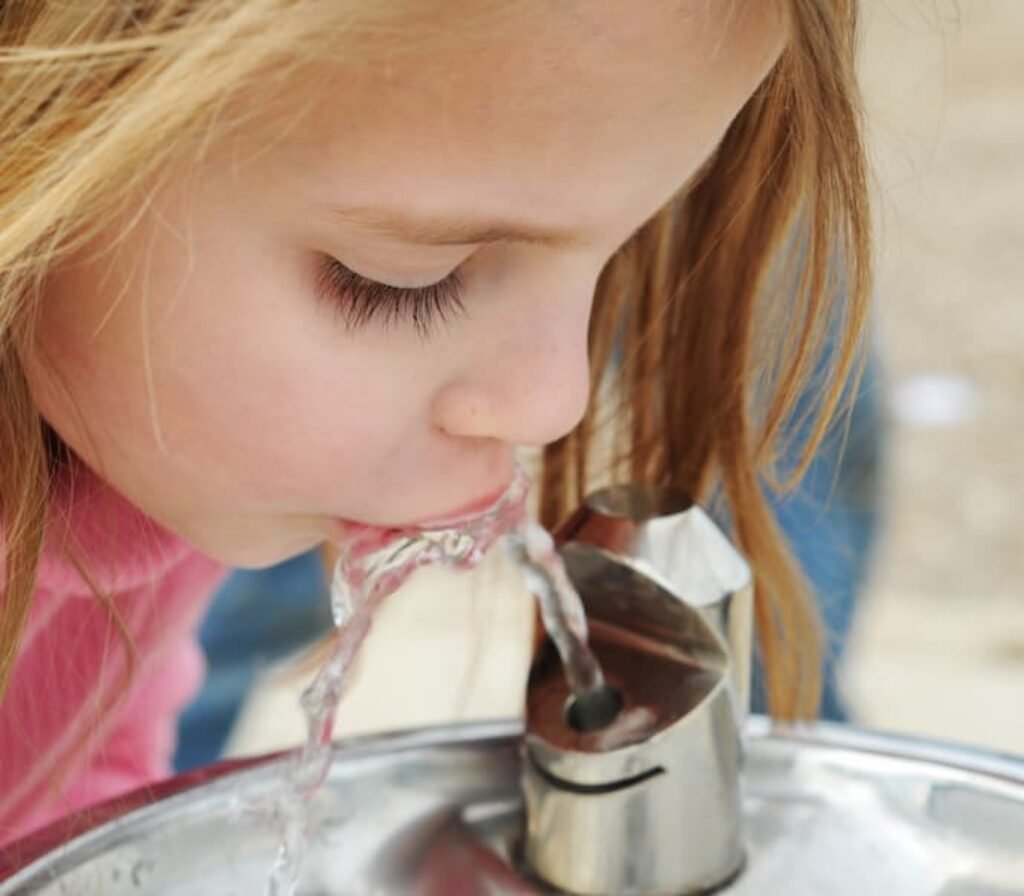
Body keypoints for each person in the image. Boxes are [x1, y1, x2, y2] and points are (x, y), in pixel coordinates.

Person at [0, 0, 870, 845]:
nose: (554, 403)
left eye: (622, 256)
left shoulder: (144, 422)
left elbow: (63, 786)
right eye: (402, 283)